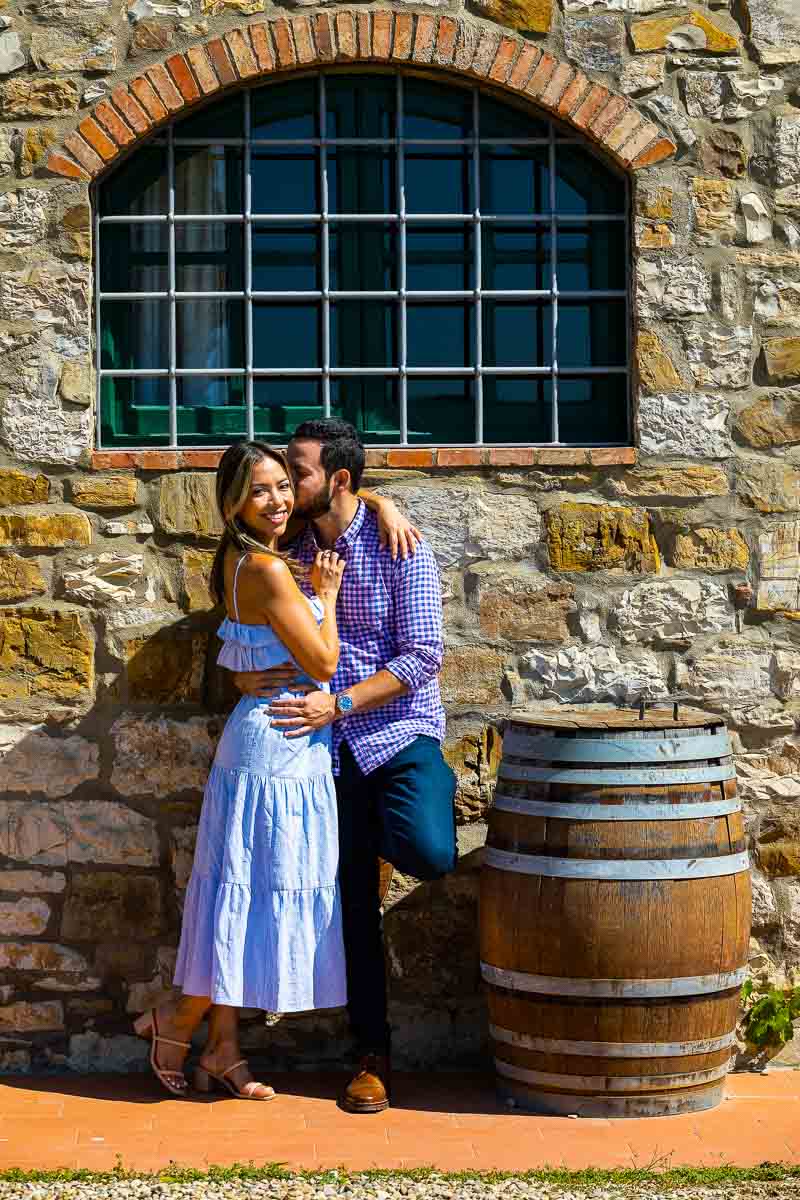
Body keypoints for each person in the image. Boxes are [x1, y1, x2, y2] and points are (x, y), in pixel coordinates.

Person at [133, 441, 419, 1100]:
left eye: (284, 486)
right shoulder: (268, 569)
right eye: (261, 491)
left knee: (244, 893)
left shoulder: (242, 555)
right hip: (278, 747)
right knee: (249, 895)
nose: (279, 500)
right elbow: (321, 664)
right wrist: (326, 594)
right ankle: (177, 1021)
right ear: (234, 501)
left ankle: (223, 1049)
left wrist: (381, 498)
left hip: (267, 740)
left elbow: (244, 640)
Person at [232, 419, 458, 1114]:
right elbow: (242, 598)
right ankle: (372, 1056)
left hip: (395, 731)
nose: (282, 486)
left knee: (430, 851)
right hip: (319, 753)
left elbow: (423, 657)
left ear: (338, 481)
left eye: (295, 473)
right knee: (351, 902)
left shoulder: (401, 549)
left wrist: (343, 702)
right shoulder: (289, 547)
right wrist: (245, 670)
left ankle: (423, 799)